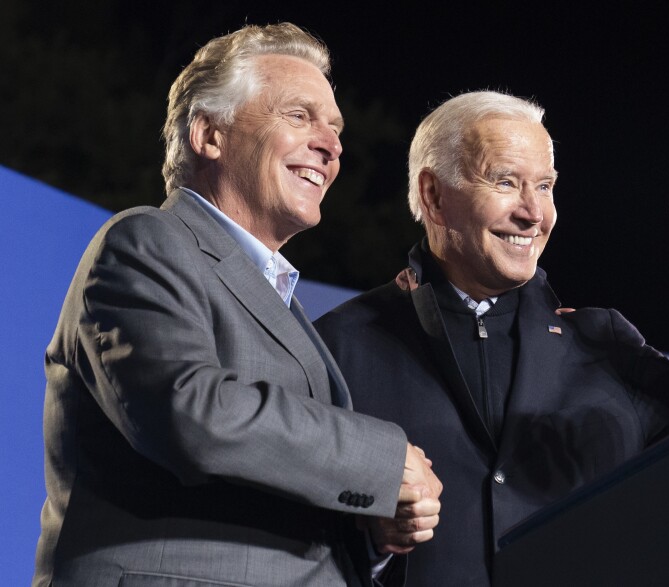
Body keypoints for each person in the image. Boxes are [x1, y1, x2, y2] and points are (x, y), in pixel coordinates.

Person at [314, 91, 669, 585]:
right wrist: (372, 544)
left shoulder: (602, 345)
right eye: (505, 181)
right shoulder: (339, 346)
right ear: (434, 196)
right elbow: (284, 544)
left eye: (545, 186)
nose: (533, 213)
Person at [33, 23, 441, 587]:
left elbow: (270, 482)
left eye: (336, 128)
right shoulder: (147, 241)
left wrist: (371, 526)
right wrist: (384, 461)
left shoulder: (281, 301)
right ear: (209, 135)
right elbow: (191, 411)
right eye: (299, 116)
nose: (332, 144)